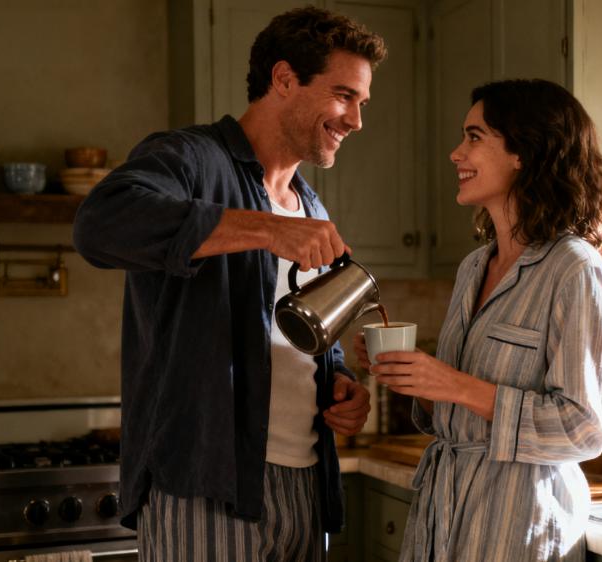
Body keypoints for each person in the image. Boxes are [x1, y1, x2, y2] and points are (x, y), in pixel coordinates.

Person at [73, 7, 386, 561]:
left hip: (307, 484)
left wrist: (339, 382)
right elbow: (100, 223)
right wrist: (266, 228)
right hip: (205, 484)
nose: (356, 120)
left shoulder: (310, 205)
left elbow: (302, 331)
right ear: (285, 79)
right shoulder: (190, 158)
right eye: (344, 95)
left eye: (361, 102)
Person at [354, 79, 602, 561]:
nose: (456, 153)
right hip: (443, 518)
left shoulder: (576, 272)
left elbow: (585, 429)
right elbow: (458, 408)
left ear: (524, 151)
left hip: (516, 527)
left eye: (474, 137)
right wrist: (414, 377)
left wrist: (455, 385)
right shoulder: (474, 267)